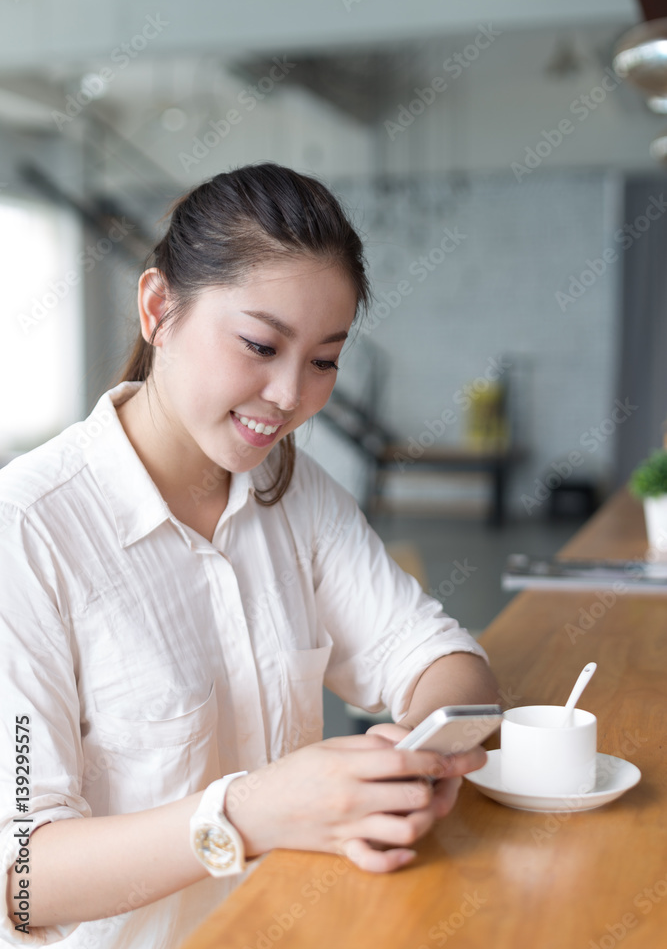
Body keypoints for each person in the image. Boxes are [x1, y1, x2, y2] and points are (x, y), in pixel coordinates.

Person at [0, 163, 498, 948]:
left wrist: (413, 756)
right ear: (159, 309)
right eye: (261, 345)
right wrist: (248, 812)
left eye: (325, 360)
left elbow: (444, 661)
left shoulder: (292, 490)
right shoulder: (27, 532)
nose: (289, 395)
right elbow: (21, 881)